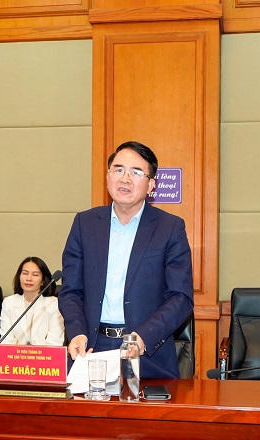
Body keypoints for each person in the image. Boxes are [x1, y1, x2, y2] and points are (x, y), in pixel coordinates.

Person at [58, 140, 194, 378]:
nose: (125, 178)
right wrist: (77, 331)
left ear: (151, 185)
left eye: (136, 172)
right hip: (91, 348)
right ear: (108, 177)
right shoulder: (84, 224)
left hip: (146, 353)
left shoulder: (170, 228)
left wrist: (144, 337)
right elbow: (70, 291)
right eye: (118, 170)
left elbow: (180, 297)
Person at [0, 256, 64, 346]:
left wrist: (33, 353)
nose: (29, 278)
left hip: (45, 354)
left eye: (35, 275)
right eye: (25, 273)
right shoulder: (9, 303)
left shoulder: (53, 304)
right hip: (14, 355)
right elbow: (6, 341)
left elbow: (55, 342)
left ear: (42, 281)